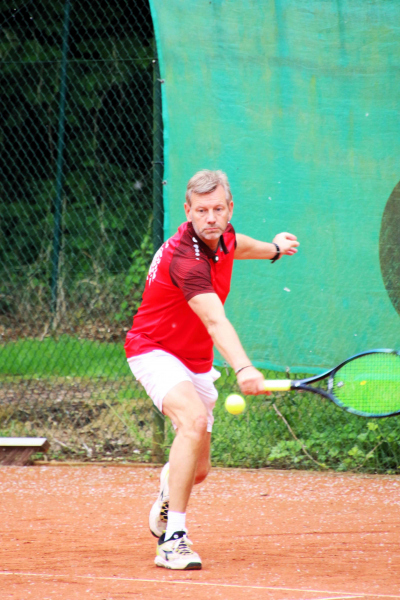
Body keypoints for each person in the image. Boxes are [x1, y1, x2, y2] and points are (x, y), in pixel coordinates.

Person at [124, 170, 299, 570]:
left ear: (229, 208)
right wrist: (245, 368)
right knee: (193, 420)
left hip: (196, 360)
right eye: (201, 211)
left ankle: (169, 488)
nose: (211, 218)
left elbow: (238, 245)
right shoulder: (186, 259)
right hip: (153, 349)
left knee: (199, 470)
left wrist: (274, 249)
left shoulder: (223, 234)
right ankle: (173, 540)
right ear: (187, 211)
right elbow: (215, 321)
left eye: (218, 209)